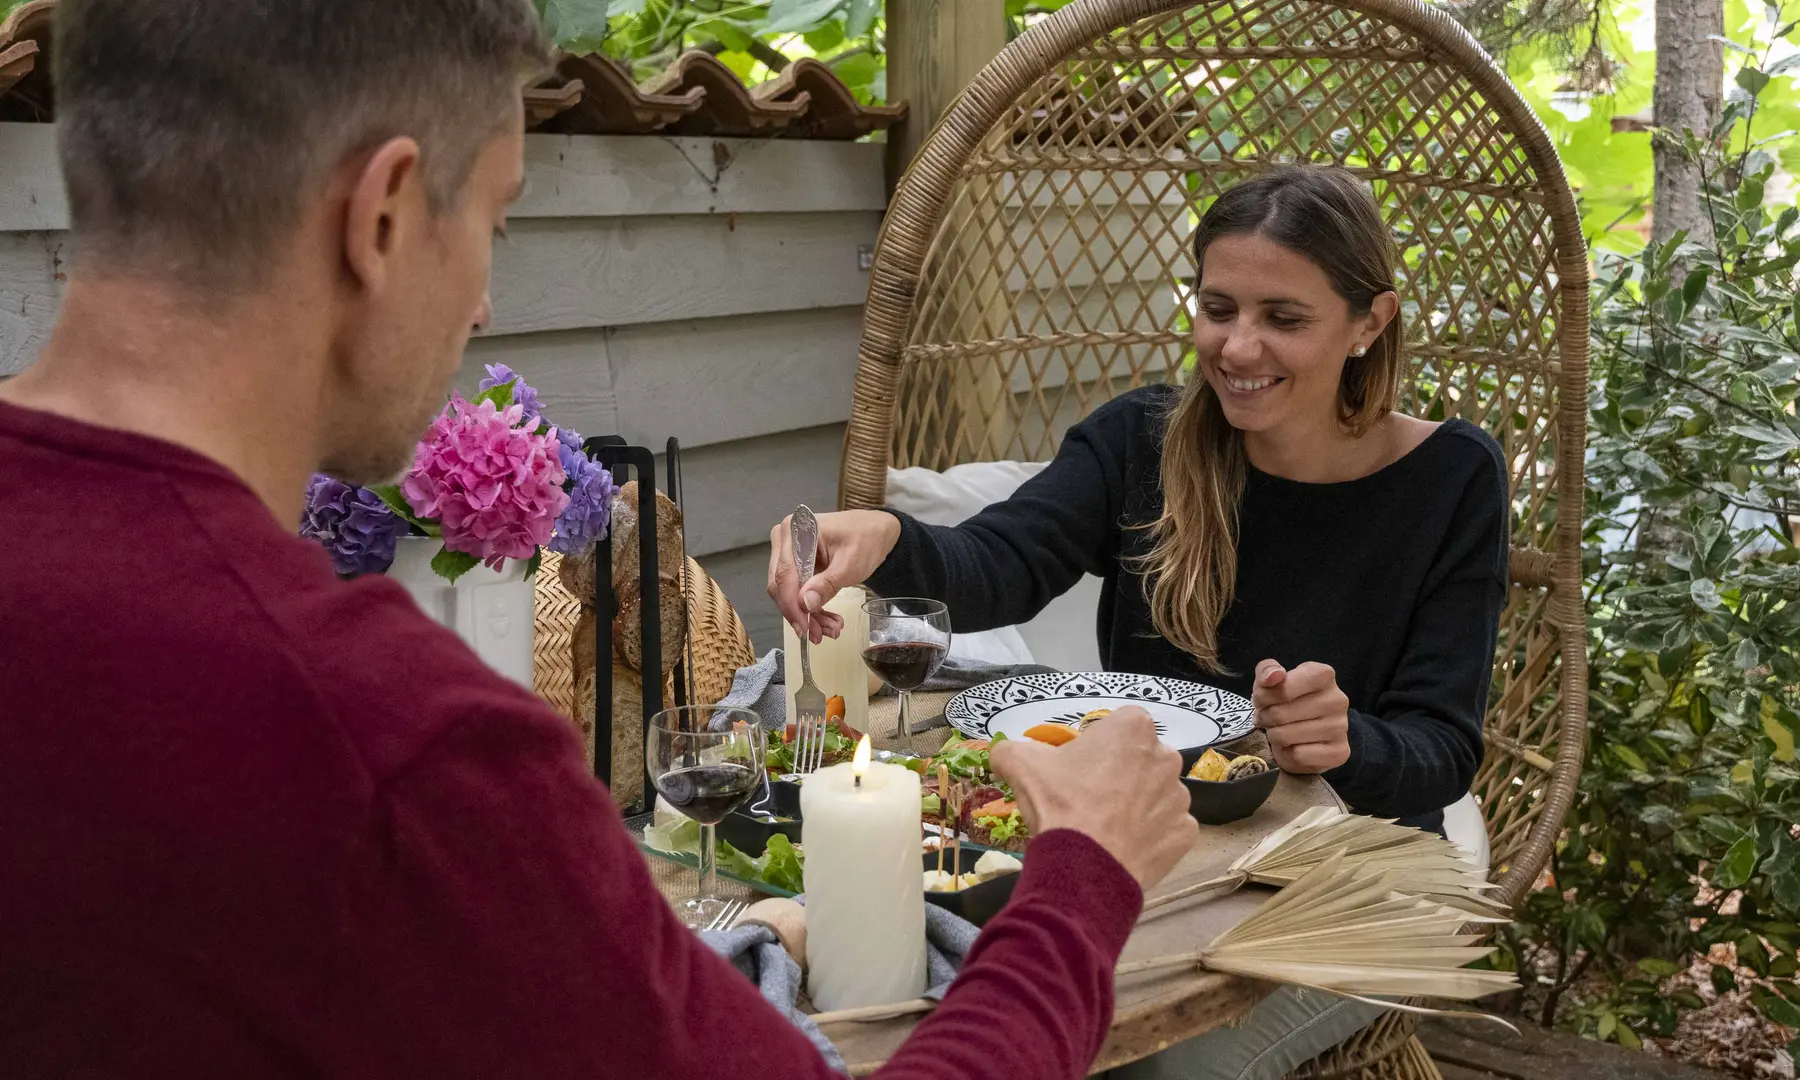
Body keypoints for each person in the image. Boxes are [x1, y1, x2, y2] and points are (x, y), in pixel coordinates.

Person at [0, 2, 1199, 1077]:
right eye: (495, 221)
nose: (480, 305)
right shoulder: (392, 745)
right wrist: (1082, 879)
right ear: (378, 216)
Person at [767, 164, 1509, 1078]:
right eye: (1217, 306)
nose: (1237, 347)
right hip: (1153, 858)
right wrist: (889, 539)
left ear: (1370, 323)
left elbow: (1442, 747)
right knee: (976, 1008)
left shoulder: (1452, 479)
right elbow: (1003, 562)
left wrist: (1347, 738)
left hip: (1338, 886)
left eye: (1284, 318)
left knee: (1139, 1067)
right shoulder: (1143, 440)